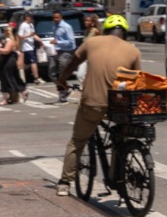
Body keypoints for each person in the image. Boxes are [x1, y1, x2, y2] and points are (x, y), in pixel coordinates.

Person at [53, 14, 141, 197]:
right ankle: (118, 176)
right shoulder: (133, 50)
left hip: (93, 103)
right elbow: (137, 80)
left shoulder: (92, 42)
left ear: (104, 30)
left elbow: (72, 62)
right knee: (120, 139)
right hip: (121, 106)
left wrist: (62, 80)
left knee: (77, 141)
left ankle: (64, 183)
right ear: (123, 32)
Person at [0, 23, 26, 105]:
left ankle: (5, 99)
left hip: (8, 61)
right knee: (12, 78)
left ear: (8, 32)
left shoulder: (10, 41)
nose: (3, 32)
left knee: (6, 79)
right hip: (8, 61)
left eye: (5, 30)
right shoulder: (9, 40)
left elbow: (6, 51)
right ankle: (21, 92)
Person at [52, 11, 77, 103]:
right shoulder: (54, 27)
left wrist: (58, 42)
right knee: (52, 73)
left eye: (57, 17)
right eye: (54, 18)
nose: (55, 19)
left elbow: (71, 42)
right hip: (57, 51)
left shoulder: (67, 27)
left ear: (61, 18)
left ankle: (62, 95)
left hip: (67, 52)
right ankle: (66, 88)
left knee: (61, 75)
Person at [18, 13, 42, 84]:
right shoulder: (23, 25)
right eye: (30, 17)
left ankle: (20, 76)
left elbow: (33, 35)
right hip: (26, 47)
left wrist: (40, 41)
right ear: (26, 17)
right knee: (33, 62)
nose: (31, 19)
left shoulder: (31, 25)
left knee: (26, 64)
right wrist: (28, 35)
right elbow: (20, 36)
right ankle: (36, 78)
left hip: (32, 46)